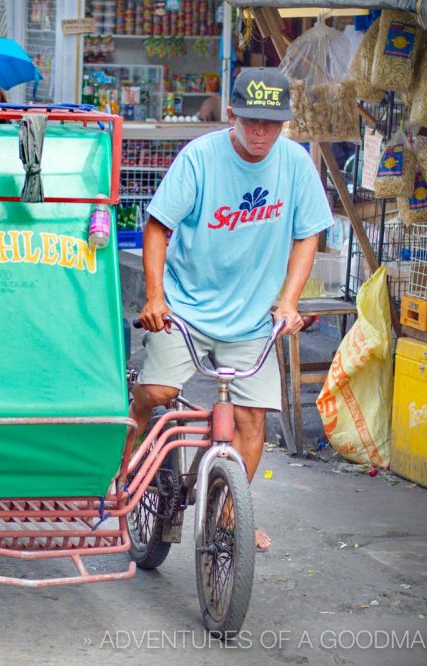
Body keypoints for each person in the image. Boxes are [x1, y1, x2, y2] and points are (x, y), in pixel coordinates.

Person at [129, 68, 333, 551]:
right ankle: (125, 464)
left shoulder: (295, 164)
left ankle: (226, 513)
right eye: (252, 121)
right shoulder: (200, 158)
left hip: (251, 320)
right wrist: (155, 297)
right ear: (231, 115)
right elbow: (158, 228)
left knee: (251, 423)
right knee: (157, 391)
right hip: (186, 308)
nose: (262, 132)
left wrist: (289, 300)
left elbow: (309, 234)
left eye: (273, 123)